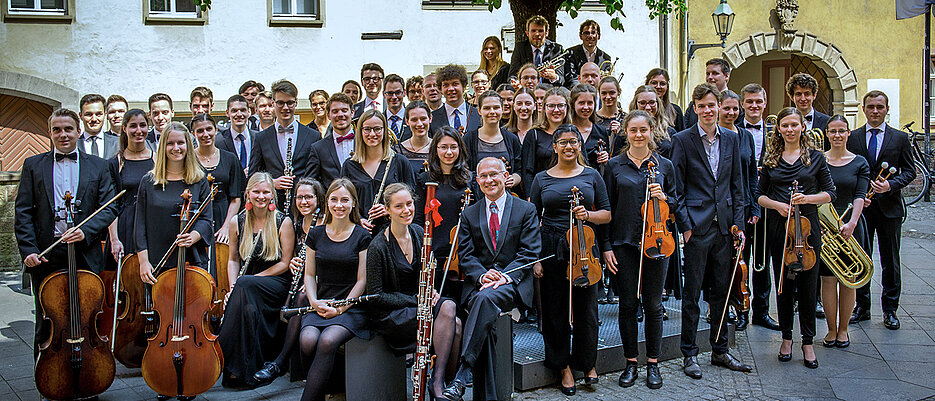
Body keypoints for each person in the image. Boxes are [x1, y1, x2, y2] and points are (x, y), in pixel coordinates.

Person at [15, 108, 118, 358]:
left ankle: (89, 376)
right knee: (48, 320)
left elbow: (110, 207)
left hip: (85, 252)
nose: (63, 134)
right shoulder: (33, 165)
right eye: (57, 130)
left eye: (68, 129)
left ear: (78, 131)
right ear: (49, 133)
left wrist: (85, 231)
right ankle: (49, 381)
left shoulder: (99, 166)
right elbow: (24, 211)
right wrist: (29, 250)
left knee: (86, 316)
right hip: (47, 254)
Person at [440, 157, 541, 401]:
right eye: (483, 176)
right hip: (480, 284)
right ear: (477, 181)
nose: (489, 180)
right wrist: (483, 275)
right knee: (484, 305)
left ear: (505, 176)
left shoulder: (525, 209)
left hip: (512, 285)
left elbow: (530, 252)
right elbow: (465, 255)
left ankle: (462, 375)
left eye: (494, 174)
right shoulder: (470, 213)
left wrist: (505, 276)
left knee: (483, 301)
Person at [671, 84, 752, 379]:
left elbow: (737, 186)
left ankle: (720, 350)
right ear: (694, 108)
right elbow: (676, 189)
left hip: (726, 227)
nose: (707, 110)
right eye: (702, 106)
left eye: (712, 105)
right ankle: (689, 354)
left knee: (721, 293)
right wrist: (686, 227)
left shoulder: (732, 138)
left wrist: (739, 228)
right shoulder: (682, 140)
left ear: (720, 107)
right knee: (692, 295)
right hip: (697, 227)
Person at [529, 124, 611, 395]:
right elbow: (532, 220)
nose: (568, 147)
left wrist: (587, 215)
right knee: (556, 309)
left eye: (573, 142)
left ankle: (588, 364)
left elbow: (607, 214)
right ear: (554, 147)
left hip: (584, 245)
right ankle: (562, 366)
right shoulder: (542, 178)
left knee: (588, 309)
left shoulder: (592, 175)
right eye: (562, 142)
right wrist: (536, 259)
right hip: (552, 245)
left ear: (579, 145)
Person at [755, 107, 835, 368]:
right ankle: (787, 338)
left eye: (794, 125)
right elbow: (759, 195)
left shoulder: (816, 158)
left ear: (803, 127)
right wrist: (777, 205)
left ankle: (808, 343)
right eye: (784, 125)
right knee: (784, 286)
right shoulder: (771, 158)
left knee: (809, 287)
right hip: (781, 230)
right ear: (778, 129)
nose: (789, 130)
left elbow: (830, 193)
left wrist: (807, 198)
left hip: (808, 229)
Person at [602, 110, 676, 389]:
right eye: (633, 130)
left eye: (643, 130)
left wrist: (665, 196)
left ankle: (653, 364)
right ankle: (631, 362)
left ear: (651, 131)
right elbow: (607, 208)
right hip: (624, 243)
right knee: (628, 304)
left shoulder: (664, 165)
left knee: (654, 305)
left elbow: (678, 207)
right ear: (626, 133)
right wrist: (606, 246)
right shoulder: (614, 166)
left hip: (658, 242)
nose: (638, 135)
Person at [366, 183, 462, 399]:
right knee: (453, 323)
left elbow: (429, 272)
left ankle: (439, 381)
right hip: (393, 314)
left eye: (409, 204)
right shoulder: (377, 247)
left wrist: (433, 291)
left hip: (419, 305)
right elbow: (377, 296)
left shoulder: (419, 233)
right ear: (388, 210)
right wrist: (415, 300)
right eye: (398, 206)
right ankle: (440, 383)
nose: (406, 210)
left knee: (450, 309)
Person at [296, 178, 371, 400]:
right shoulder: (316, 234)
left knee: (328, 340)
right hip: (320, 303)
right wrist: (313, 301)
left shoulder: (362, 236)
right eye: (334, 199)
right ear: (327, 202)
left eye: (345, 200)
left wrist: (340, 309)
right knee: (307, 340)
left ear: (353, 204)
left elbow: (362, 281)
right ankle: (329, 389)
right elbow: (309, 274)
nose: (339, 205)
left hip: (351, 307)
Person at [847, 90, 916, 329]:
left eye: (880, 107)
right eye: (871, 107)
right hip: (862, 210)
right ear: (863, 109)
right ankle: (862, 307)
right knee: (860, 257)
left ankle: (890, 310)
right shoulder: (853, 137)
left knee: (890, 260)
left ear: (887, 109)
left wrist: (890, 185)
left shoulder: (899, 139)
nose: (875, 111)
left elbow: (910, 171)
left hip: (890, 208)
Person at [219, 172, 295, 388]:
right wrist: (233, 286)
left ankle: (218, 354)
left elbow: (285, 263)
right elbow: (233, 259)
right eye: (256, 192)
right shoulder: (237, 221)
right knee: (247, 309)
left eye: (266, 192)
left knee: (245, 288)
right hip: (246, 286)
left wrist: (249, 280)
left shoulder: (283, 221)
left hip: (275, 283)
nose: (261, 196)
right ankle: (240, 372)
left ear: (273, 194)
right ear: (248, 194)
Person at [252, 178, 326, 386]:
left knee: (302, 297)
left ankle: (280, 362)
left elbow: (331, 258)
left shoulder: (326, 223)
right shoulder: (296, 223)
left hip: (326, 280)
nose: (303, 201)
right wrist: (294, 262)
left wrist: (314, 278)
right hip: (304, 279)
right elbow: (293, 256)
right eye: (299, 197)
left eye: (308, 197)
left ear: (318, 199)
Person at [136, 122, 214, 284]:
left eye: (180, 143)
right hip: (157, 261)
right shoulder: (149, 181)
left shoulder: (199, 180)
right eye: (170, 143)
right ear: (162, 147)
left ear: (188, 145)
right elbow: (140, 225)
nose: (176, 148)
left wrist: (192, 237)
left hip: (191, 259)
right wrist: (143, 261)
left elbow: (207, 220)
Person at [822, 115, 870, 348]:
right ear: (827, 134)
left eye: (841, 131)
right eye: (833, 131)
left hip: (850, 225)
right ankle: (831, 330)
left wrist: (852, 223)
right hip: (825, 227)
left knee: (848, 279)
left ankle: (844, 330)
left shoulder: (859, 162)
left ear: (848, 133)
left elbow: (860, 195)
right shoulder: (819, 160)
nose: (837, 135)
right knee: (828, 280)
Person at [413, 127, 477, 302]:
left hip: (462, 250)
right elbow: (418, 218)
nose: (449, 152)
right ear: (436, 150)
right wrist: (424, 249)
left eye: (453, 147)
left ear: (460, 149)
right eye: (443, 147)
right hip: (433, 249)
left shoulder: (470, 179)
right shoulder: (424, 179)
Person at [738, 83, 780, 331]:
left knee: (762, 263)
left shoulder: (776, 132)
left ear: (765, 104)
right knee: (740, 261)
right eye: (749, 101)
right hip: (742, 204)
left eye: (758, 102)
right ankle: (741, 309)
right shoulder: (733, 131)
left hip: (767, 204)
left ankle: (762, 312)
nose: (754, 106)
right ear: (743, 104)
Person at [717, 91, 759, 330]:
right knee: (721, 262)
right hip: (721, 208)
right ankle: (721, 306)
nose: (731, 113)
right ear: (719, 108)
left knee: (743, 261)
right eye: (727, 108)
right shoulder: (714, 136)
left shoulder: (745, 136)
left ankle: (742, 307)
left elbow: (752, 174)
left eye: (735, 109)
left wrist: (754, 205)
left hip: (742, 208)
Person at [248, 79, 322, 210]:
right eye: (280, 103)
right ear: (273, 103)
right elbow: (253, 176)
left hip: (304, 207)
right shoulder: (261, 138)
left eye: (290, 103)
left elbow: (317, 176)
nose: (285, 108)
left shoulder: (313, 136)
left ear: (296, 103)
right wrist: (271, 183)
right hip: (272, 207)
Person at [340, 109, 416, 232]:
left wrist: (388, 209)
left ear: (385, 131)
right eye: (367, 129)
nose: (372, 134)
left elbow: (411, 199)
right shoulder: (349, 165)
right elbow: (343, 199)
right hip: (358, 232)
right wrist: (357, 219)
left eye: (377, 129)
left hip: (393, 232)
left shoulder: (399, 162)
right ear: (360, 132)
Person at [191, 114, 246, 258]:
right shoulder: (188, 160)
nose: (205, 134)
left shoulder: (230, 158)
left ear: (216, 130)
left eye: (209, 129)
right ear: (193, 134)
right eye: (200, 131)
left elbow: (236, 198)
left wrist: (226, 226)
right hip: (197, 218)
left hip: (224, 215)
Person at [107, 109, 155, 265]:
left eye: (143, 125)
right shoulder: (115, 163)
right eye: (133, 126)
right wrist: (114, 239)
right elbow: (110, 205)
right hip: (125, 226)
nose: (139, 131)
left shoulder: (158, 160)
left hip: (152, 224)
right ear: (124, 128)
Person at [461, 91, 523, 191]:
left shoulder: (512, 139)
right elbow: (463, 169)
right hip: (478, 196)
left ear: (502, 110)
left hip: (506, 194)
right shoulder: (469, 139)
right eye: (486, 108)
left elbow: (519, 169)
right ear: (479, 111)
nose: (492, 111)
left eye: (496, 107)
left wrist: (514, 178)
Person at [522, 87, 571, 190]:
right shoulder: (534, 134)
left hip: (570, 189)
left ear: (567, 107)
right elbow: (527, 171)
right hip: (542, 191)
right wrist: (530, 196)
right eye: (551, 106)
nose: (556, 110)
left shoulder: (574, 133)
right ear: (544, 108)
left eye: (561, 105)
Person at [310, 93, 356, 189]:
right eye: (335, 111)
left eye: (344, 110)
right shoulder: (318, 148)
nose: (340, 115)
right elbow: (312, 183)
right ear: (328, 115)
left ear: (352, 113)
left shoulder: (365, 142)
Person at [508, 15, 564, 86]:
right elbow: (512, 75)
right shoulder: (520, 48)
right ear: (527, 33)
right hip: (526, 91)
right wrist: (515, 83)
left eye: (540, 31)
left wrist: (554, 77)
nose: (537, 34)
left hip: (548, 92)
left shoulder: (556, 49)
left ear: (546, 33)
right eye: (533, 31)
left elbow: (561, 79)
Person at [684, 59, 739, 128]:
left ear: (727, 76)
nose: (710, 77)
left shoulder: (737, 102)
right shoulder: (694, 104)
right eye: (708, 74)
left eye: (715, 73)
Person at [429, 64, 482, 134]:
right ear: (440, 89)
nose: (450, 89)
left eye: (455, 84)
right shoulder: (432, 118)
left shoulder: (478, 114)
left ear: (464, 86)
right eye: (446, 85)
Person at [628, 85, 674, 158]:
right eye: (642, 103)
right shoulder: (626, 132)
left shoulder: (670, 132)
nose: (648, 107)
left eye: (652, 102)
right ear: (635, 104)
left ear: (658, 104)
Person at [570, 84, 610, 167]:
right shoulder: (565, 130)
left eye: (590, 103)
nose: (586, 107)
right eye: (581, 103)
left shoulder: (601, 131)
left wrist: (606, 159)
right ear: (573, 104)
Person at [564, 20, 612, 89]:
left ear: (598, 36)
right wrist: (584, 90)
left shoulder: (606, 58)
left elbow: (605, 81)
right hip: (577, 92)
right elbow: (570, 78)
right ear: (580, 36)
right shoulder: (570, 53)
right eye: (586, 33)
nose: (590, 36)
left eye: (593, 33)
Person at [217, 95, 258, 171]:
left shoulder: (259, 137)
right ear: (227, 113)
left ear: (249, 112)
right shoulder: (219, 141)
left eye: (243, 110)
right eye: (234, 111)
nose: (239, 114)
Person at [394, 100, 433, 172]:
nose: (419, 124)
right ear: (407, 121)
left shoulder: (439, 148)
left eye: (423, 119)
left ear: (430, 118)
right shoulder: (397, 151)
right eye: (414, 120)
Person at [79, 93, 119, 160]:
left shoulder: (118, 143)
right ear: (81, 116)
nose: (94, 119)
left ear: (105, 115)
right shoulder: (74, 145)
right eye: (89, 114)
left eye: (98, 114)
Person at [645, 68, 684, 132]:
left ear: (667, 86)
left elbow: (682, 137)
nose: (658, 86)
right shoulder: (640, 108)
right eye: (654, 83)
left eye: (662, 84)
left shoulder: (675, 111)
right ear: (647, 84)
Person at [383, 74, 408, 142]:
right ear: (384, 95)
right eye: (390, 93)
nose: (394, 97)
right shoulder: (379, 120)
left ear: (404, 93)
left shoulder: (413, 118)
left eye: (398, 92)